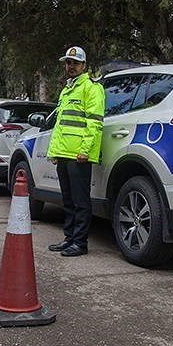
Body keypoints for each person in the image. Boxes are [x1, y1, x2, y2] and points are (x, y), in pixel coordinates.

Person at [46, 46, 105, 257]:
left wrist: (85, 150)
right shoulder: (67, 90)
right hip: (63, 154)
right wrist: (54, 152)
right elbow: (61, 125)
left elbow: (94, 123)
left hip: (78, 155)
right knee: (68, 200)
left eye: (74, 63)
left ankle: (80, 243)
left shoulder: (91, 88)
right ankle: (69, 238)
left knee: (81, 201)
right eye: (67, 63)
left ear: (83, 65)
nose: (69, 66)